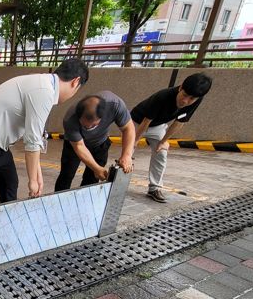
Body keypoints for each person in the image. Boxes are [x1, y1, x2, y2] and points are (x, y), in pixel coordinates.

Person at [0, 58, 88, 210]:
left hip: (0, 146)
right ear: (75, 81)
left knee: (10, 184)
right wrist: (33, 181)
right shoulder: (44, 91)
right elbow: (32, 141)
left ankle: (8, 225)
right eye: (77, 89)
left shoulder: (43, 85)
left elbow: (36, 137)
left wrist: (37, 174)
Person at [132, 73, 213, 203]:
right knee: (128, 153)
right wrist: (134, 141)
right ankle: (116, 182)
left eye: (191, 99)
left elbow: (180, 121)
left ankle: (154, 188)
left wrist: (163, 142)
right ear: (180, 88)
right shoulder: (163, 96)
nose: (186, 101)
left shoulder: (196, 99)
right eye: (185, 95)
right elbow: (146, 121)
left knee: (161, 152)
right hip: (137, 122)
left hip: (158, 125)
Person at [54, 92, 135, 192]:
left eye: (93, 125)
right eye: (84, 125)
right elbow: (79, 146)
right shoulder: (70, 118)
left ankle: (86, 203)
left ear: (101, 117)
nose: (88, 128)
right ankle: (59, 202)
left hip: (100, 143)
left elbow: (128, 128)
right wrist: (97, 168)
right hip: (75, 145)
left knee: (92, 179)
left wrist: (127, 155)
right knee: (66, 175)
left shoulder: (115, 105)